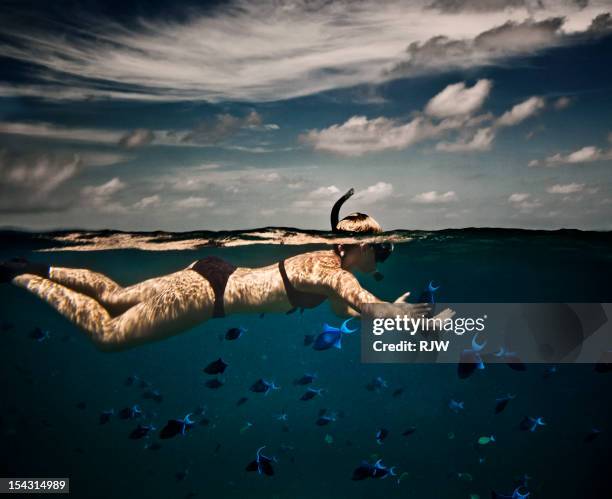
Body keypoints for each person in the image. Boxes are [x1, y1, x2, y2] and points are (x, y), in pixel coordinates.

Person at [1, 188, 450, 351]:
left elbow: (344, 312)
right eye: (382, 251)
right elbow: (363, 307)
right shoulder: (334, 271)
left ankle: (32, 265)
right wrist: (407, 318)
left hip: (211, 272)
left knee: (116, 296)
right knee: (106, 335)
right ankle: (21, 276)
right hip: (207, 296)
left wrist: (384, 308)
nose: (383, 258)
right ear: (359, 248)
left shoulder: (329, 270)